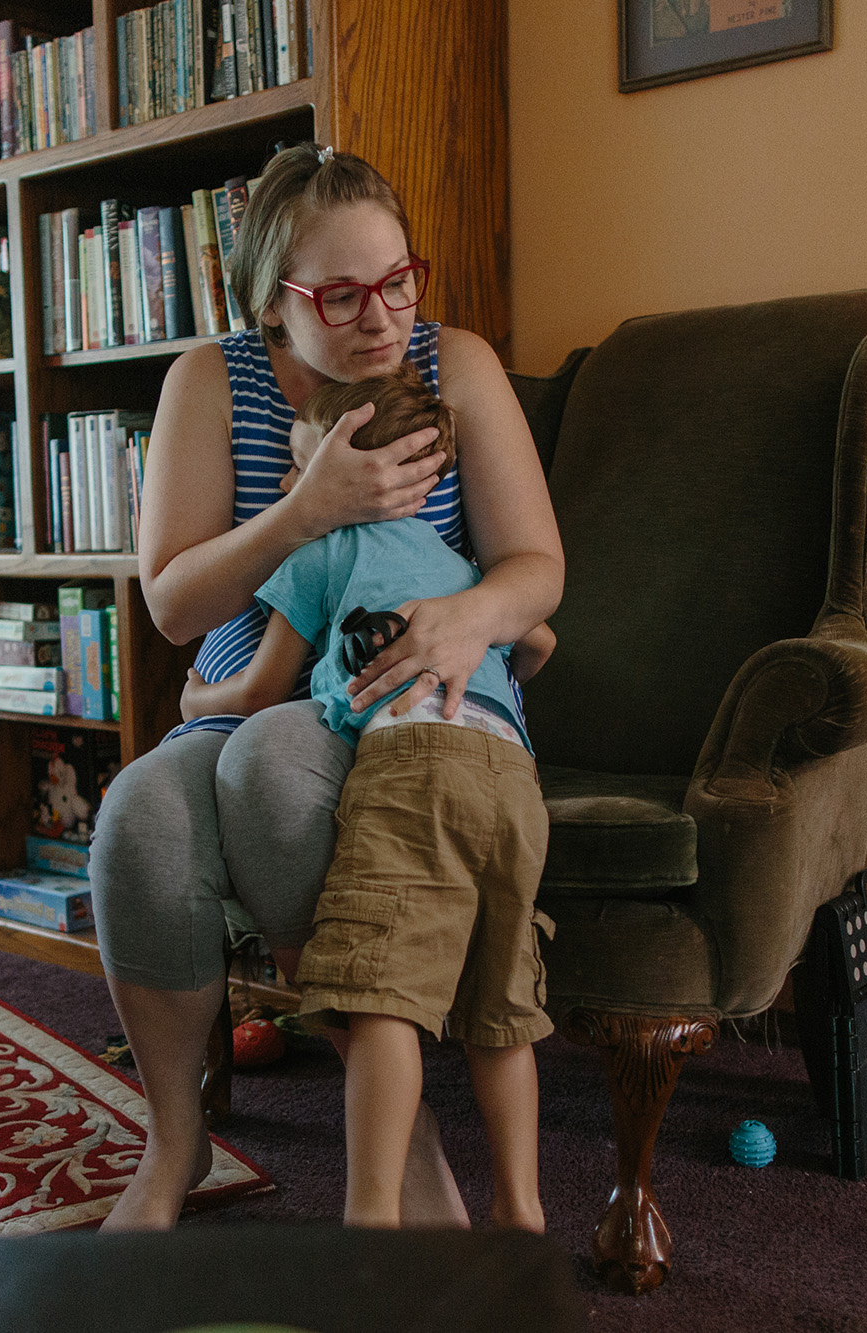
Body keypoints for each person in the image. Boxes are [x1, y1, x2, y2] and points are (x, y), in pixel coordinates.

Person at [89, 142, 564, 1231]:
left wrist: (464, 620)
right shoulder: (208, 382)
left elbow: (536, 565)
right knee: (139, 820)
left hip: (414, 707)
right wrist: (305, 509)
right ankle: (176, 1150)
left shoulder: (460, 365)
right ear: (270, 304)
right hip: (253, 691)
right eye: (339, 295)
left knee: (269, 761)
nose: (380, 316)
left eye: (397, 281)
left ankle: (387, 1114)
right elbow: (171, 606)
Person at [178, 369, 554, 1229]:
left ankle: (374, 1218)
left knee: (379, 993)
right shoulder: (460, 563)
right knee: (502, 1006)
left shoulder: (321, 552)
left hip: (414, 765)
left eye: (305, 470)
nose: (288, 488)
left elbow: (260, 692)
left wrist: (197, 697)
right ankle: (521, 1210)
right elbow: (538, 641)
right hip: (510, 773)